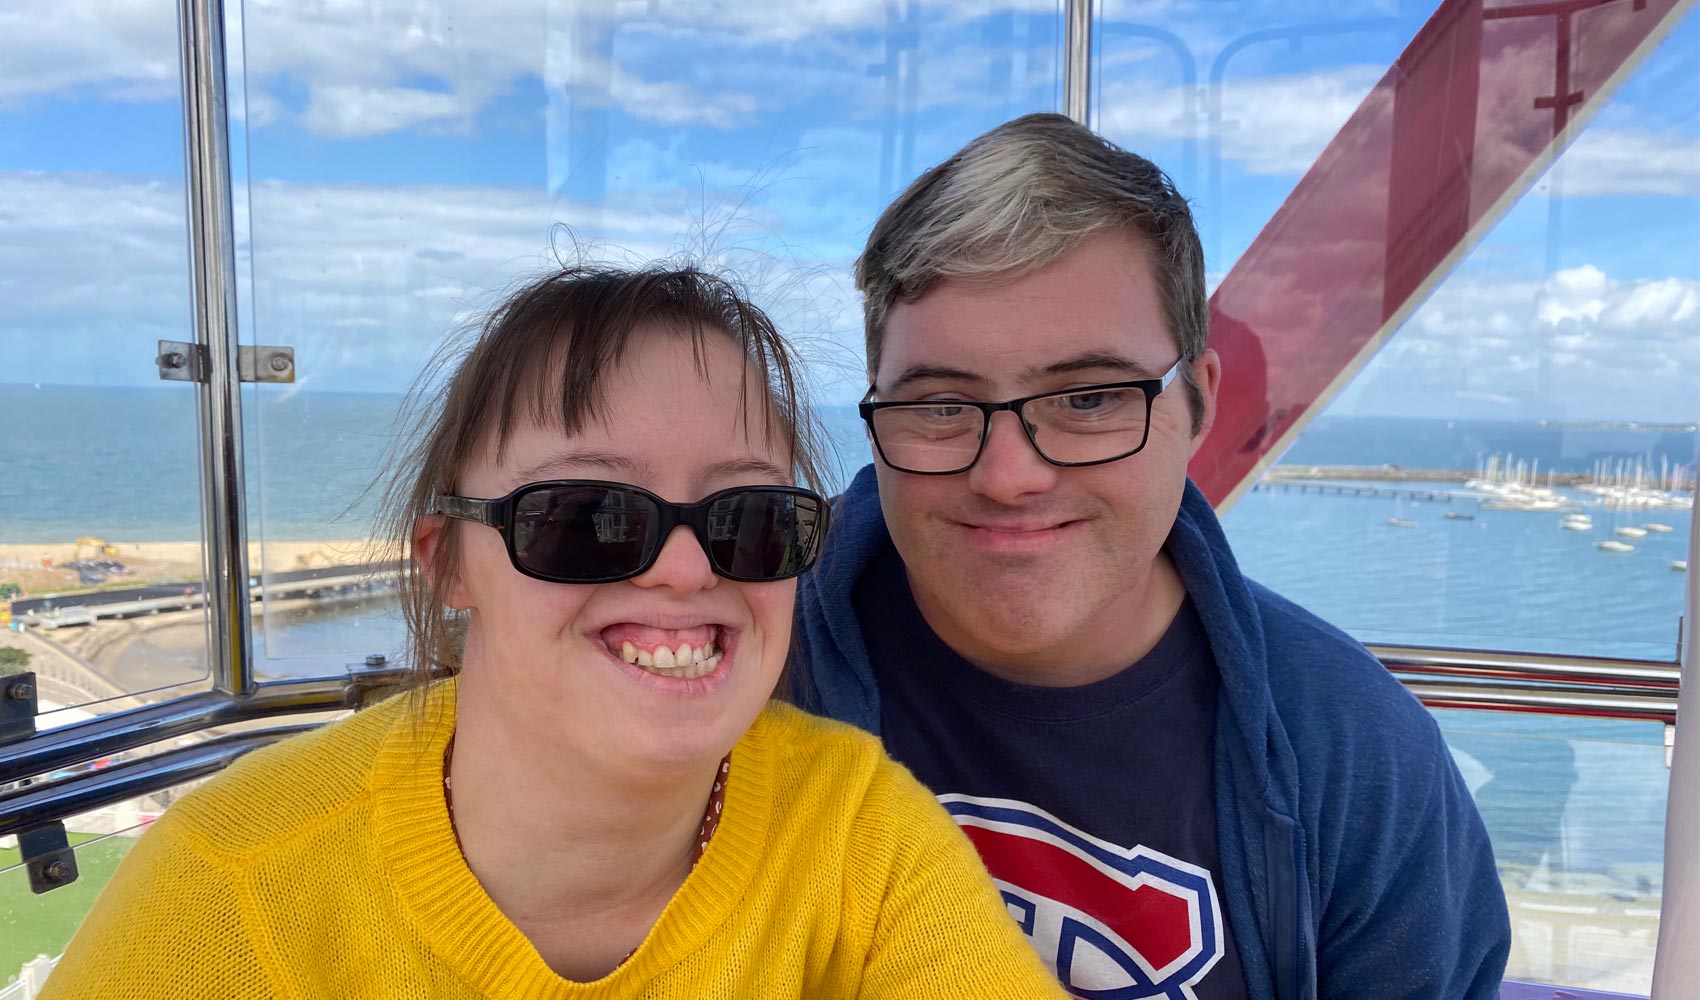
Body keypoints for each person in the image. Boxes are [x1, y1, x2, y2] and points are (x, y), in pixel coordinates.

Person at [40, 265, 1069, 999]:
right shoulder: (234, 890)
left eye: (749, 521)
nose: (684, 566)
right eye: (587, 518)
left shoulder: (851, 829)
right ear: (447, 561)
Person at [791, 113, 1511, 999]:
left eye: (1089, 398)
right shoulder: (745, 666)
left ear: (1198, 402)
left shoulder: (1357, 760)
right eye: (940, 405)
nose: (1009, 475)